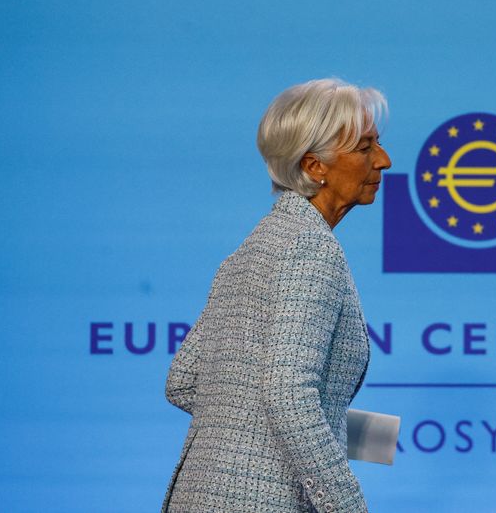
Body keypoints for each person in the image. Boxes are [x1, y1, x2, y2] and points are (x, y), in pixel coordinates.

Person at [161, 78, 391, 513]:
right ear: (314, 165)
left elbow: (185, 381)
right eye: (364, 148)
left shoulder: (253, 247)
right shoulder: (309, 247)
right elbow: (288, 395)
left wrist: (330, 426)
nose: (384, 160)